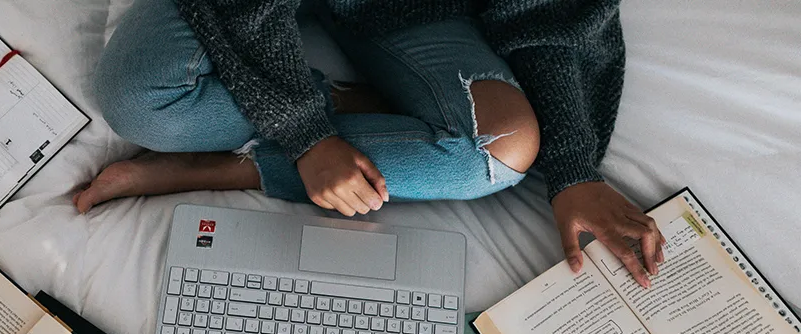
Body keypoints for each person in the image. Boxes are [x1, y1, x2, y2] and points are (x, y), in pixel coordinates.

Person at [76, 0, 665, 287]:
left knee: (495, 152)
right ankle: (343, 109)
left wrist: (572, 170)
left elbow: (544, 10)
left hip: (406, 10)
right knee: (136, 100)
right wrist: (305, 133)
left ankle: (228, 168)